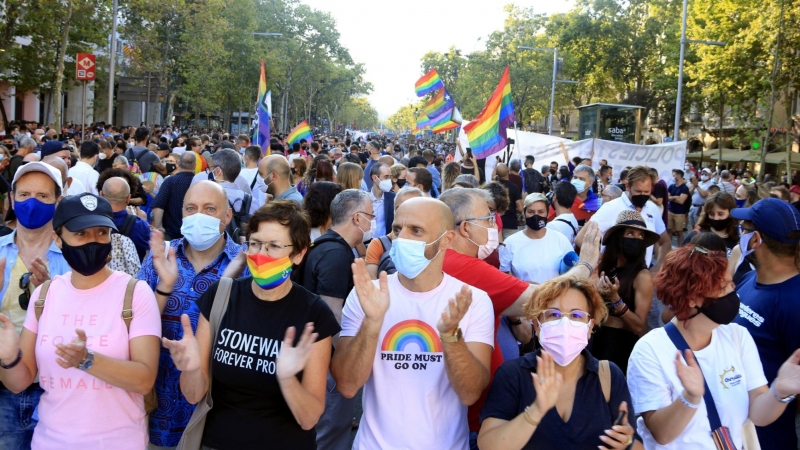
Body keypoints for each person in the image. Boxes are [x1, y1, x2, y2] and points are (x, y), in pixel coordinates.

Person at [162, 201, 339, 449]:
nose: (260, 254)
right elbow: (193, 395)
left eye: (274, 246)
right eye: (254, 244)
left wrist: (287, 379)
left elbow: (309, 419)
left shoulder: (314, 314)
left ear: (298, 254)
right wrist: (190, 369)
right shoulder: (221, 296)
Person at [439, 187, 602, 446]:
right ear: (465, 228)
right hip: (466, 418)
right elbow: (541, 299)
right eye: (488, 219)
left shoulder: (445, 261)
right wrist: (586, 263)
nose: (495, 225)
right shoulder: (465, 266)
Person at [0, 193, 161, 449]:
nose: (93, 241)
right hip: (50, 441)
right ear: (57, 238)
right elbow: (19, 382)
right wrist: (8, 358)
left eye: (101, 233)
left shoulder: (135, 293)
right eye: (81, 234)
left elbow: (144, 380)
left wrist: (87, 360)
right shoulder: (43, 295)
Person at [331, 197, 495, 449]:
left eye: (415, 230)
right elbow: (348, 385)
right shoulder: (367, 295)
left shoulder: (473, 300)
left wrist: (451, 336)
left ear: (446, 239)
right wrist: (372, 323)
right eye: (397, 229)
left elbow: (470, 393)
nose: (400, 238)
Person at [628, 244, 800, 449]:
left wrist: (779, 392)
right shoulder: (649, 350)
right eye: (723, 288)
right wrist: (689, 398)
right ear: (692, 299)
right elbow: (661, 434)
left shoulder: (738, 336)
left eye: (731, 285)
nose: (733, 293)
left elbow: (758, 415)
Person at [138, 180, 243, 448]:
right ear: (182, 214)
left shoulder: (244, 267)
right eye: (191, 208)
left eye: (210, 209)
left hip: (215, 408)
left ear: (227, 215)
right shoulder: (159, 257)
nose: (199, 216)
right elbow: (135, 323)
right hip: (156, 405)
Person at [478, 277, 638, 450]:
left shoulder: (608, 376)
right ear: (537, 324)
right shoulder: (513, 375)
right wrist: (536, 410)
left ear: (590, 326)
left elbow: (635, 444)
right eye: (554, 315)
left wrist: (627, 444)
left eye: (576, 315)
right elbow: (488, 445)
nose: (565, 323)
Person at [0, 162, 71, 448]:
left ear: (58, 201)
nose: (32, 202)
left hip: (57, 387)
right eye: (24, 194)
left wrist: (52, 296)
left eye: (42, 196)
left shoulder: (74, 257)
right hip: (4, 387)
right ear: (11, 199)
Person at [300, 189, 372, 450]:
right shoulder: (336, 254)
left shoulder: (328, 245)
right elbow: (332, 314)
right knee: (329, 433)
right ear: (357, 218)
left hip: (316, 357)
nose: (371, 222)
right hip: (328, 362)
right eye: (370, 216)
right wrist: (349, 358)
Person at [731, 198, 800, 448]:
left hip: (768, 438)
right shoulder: (749, 278)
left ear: (756, 240)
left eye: (744, 228)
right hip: (732, 430)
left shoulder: (795, 302)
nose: (740, 233)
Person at [592, 210, 657, 373]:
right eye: (630, 233)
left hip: (620, 346)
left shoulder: (642, 276)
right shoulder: (603, 265)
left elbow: (638, 325)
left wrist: (615, 298)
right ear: (619, 237)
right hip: (594, 339)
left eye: (640, 236)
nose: (636, 239)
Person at [576, 166, 671, 272]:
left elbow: (665, 241)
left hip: (641, 277)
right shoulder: (611, 207)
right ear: (628, 186)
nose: (642, 195)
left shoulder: (652, 208)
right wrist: (601, 259)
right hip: (611, 278)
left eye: (646, 192)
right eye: (638, 191)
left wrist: (657, 268)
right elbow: (581, 238)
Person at [501, 193, 573, 283]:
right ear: (524, 213)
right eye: (531, 212)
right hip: (525, 295)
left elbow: (572, 269)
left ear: (547, 213)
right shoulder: (510, 243)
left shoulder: (560, 239)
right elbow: (504, 276)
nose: (536, 216)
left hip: (554, 294)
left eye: (541, 211)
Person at [364, 187, 425, 279]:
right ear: (394, 211)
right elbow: (371, 282)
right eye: (400, 208)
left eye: (413, 207)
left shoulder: (430, 241)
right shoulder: (378, 245)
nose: (406, 212)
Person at [101, 177, 151, 261]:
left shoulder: (92, 223)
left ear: (101, 195)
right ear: (128, 198)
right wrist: (145, 222)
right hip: (133, 274)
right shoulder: (141, 225)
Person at [152, 152, 196, 240]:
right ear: (194, 165)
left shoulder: (170, 181)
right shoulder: (198, 182)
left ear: (178, 163)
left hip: (171, 233)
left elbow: (158, 205)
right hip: (193, 233)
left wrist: (158, 227)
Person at [495, 163, 523, 239]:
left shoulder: (493, 187)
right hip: (510, 223)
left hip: (495, 223)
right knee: (510, 247)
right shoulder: (514, 187)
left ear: (496, 173)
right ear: (508, 170)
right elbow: (520, 208)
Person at [368, 162, 395, 236]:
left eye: (390, 177)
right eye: (386, 177)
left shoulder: (393, 198)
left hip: (385, 242)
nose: (389, 180)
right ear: (375, 178)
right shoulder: (363, 198)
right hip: (367, 243)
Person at [667, 169, 690, 244]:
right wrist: (675, 197)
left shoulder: (684, 188)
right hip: (670, 211)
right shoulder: (671, 186)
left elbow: (681, 201)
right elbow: (667, 198)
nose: (673, 177)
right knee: (669, 230)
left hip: (679, 213)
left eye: (674, 175)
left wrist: (672, 198)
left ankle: (680, 248)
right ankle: (668, 248)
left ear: (678, 176)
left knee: (679, 231)